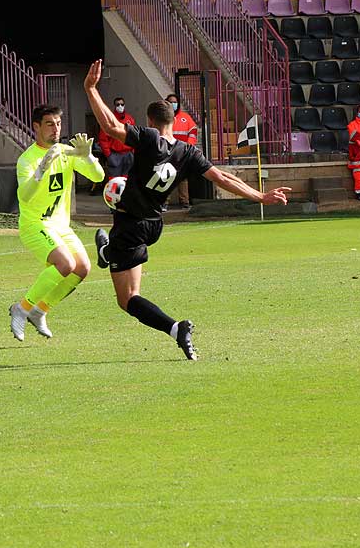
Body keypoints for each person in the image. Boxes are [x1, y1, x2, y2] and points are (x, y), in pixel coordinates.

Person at [85, 60, 291, 360]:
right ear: (173, 120)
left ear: (150, 120)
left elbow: (110, 126)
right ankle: (107, 252)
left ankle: (175, 327)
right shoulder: (187, 152)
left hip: (131, 224)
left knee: (127, 299)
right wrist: (259, 195)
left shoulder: (148, 137)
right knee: (118, 258)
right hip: (154, 225)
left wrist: (91, 89)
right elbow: (222, 177)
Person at [10, 105, 104, 341]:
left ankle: (40, 310)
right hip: (35, 225)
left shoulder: (65, 151)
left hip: (60, 225)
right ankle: (21, 309)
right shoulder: (27, 159)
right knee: (65, 264)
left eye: (58, 123)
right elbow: (25, 196)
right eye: (50, 124)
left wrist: (87, 156)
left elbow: (98, 177)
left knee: (82, 268)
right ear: (37, 126)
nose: (56, 129)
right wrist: (41, 169)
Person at [167, 93, 198, 209]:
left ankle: (184, 202)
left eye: (175, 102)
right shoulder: (164, 118)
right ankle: (164, 202)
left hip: (182, 152)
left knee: (183, 178)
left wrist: (189, 146)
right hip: (168, 152)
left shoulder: (185, 117)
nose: (173, 104)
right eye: (170, 102)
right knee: (167, 177)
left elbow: (193, 131)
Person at [98, 96, 135, 182]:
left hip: (128, 154)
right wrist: (109, 154)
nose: (120, 106)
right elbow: (103, 139)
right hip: (115, 154)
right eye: (118, 104)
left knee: (128, 179)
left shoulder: (129, 119)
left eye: (122, 104)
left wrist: (133, 151)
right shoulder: (110, 120)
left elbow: (134, 136)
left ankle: (126, 195)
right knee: (114, 180)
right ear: (114, 106)